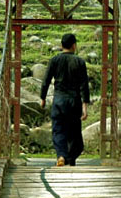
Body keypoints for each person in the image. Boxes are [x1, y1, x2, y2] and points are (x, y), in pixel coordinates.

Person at [39, 32, 90, 166]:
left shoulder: (54, 60)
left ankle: (61, 155)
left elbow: (46, 80)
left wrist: (43, 98)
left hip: (59, 100)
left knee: (58, 129)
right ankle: (70, 158)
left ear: (62, 46)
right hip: (74, 101)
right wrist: (85, 106)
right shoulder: (80, 61)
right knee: (74, 132)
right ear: (74, 46)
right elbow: (84, 85)